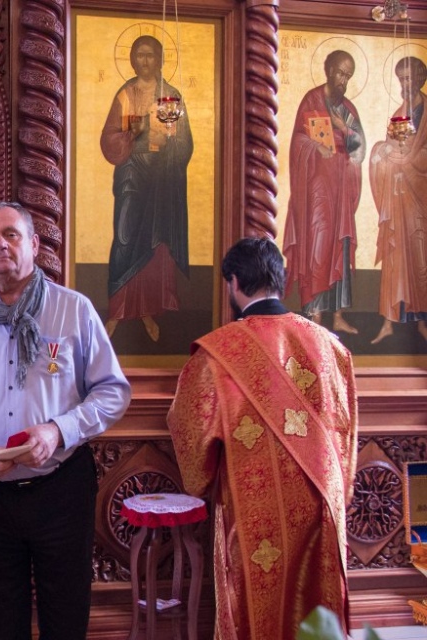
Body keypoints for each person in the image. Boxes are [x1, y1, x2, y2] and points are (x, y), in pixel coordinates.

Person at [0, 202, 131, 639]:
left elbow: (113, 391)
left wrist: (58, 430)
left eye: (11, 234)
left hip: (61, 488)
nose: (0, 244)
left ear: (34, 244)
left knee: (65, 617)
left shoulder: (74, 310)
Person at [167, 237, 357, 639]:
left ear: (234, 282)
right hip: (323, 501)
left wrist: (201, 478)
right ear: (280, 281)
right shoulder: (332, 347)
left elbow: (191, 432)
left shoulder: (217, 354)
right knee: (316, 605)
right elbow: (346, 430)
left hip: (255, 509)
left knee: (257, 606)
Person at [100, 34, 192, 342]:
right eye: (139, 55)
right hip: (131, 173)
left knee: (156, 242)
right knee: (125, 236)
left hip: (161, 177)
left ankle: (148, 311)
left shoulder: (172, 95)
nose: (145, 61)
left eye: (150, 55)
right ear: (132, 59)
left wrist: (169, 141)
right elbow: (108, 138)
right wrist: (132, 132)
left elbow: (184, 142)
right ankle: (117, 311)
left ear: (160, 59)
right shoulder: (125, 94)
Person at [283, 49, 366, 335]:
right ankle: (314, 314)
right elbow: (297, 139)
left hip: (341, 188)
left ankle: (338, 315)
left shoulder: (348, 110)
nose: (343, 80)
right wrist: (315, 146)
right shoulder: (312, 100)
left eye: (348, 75)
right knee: (318, 246)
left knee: (340, 247)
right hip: (317, 189)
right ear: (328, 69)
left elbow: (359, 151)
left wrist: (347, 131)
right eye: (340, 72)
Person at [369, 56, 427, 345]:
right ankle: (390, 323)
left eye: (410, 78)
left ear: (420, 79)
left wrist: (411, 160)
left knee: (420, 258)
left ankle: (422, 322)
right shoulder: (399, 114)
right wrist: (381, 153)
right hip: (399, 197)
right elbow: (392, 147)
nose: (406, 84)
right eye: (401, 79)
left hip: (420, 199)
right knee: (396, 259)